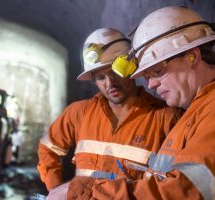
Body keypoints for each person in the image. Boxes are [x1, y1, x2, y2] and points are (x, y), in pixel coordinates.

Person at [68, 6, 215, 200]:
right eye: (147, 76)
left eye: (157, 71)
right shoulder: (193, 112)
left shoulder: (207, 111)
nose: (152, 84)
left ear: (193, 57)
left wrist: (93, 191)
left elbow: (184, 190)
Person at [37, 28, 182, 199]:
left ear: (131, 68)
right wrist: (55, 189)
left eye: (114, 72)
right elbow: (47, 148)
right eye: (100, 77)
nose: (110, 83)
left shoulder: (165, 117)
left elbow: (173, 182)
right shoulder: (79, 113)